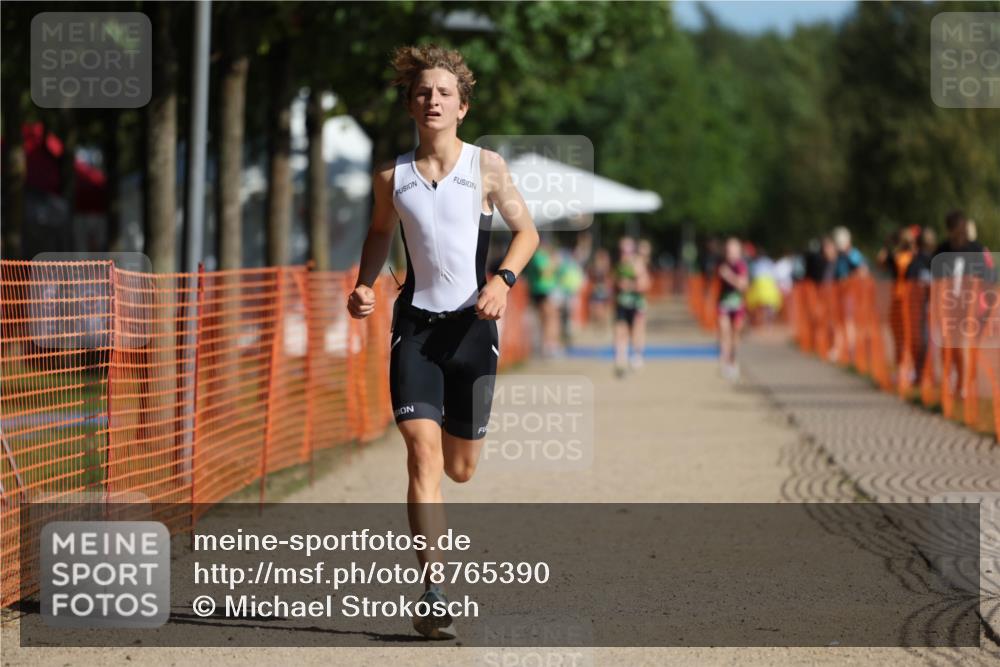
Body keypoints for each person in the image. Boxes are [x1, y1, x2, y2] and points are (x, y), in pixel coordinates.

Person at [346, 44, 539, 640]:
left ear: (462, 107)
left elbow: (527, 233)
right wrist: (364, 285)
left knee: (460, 469)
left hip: (473, 329)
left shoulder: (487, 167)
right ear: (410, 105)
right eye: (424, 93)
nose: (433, 100)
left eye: (445, 93)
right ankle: (433, 589)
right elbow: (380, 234)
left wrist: (503, 281)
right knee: (421, 456)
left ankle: (437, 572)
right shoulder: (391, 177)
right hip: (415, 329)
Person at [717, 237, 749, 381]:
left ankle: (733, 360)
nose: (731, 253)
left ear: (739, 252)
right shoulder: (722, 265)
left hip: (737, 304)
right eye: (729, 251)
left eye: (733, 250)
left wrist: (729, 276)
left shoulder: (741, 266)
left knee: (735, 333)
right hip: (724, 303)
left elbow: (743, 286)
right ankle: (725, 361)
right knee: (724, 331)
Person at [613, 236, 644, 377]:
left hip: (636, 303)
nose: (624, 253)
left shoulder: (637, 264)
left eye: (627, 250)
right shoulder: (618, 265)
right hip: (621, 303)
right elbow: (614, 283)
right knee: (620, 331)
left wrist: (630, 284)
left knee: (635, 331)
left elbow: (644, 284)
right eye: (622, 250)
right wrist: (618, 285)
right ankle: (621, 360)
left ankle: (636, 355)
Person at [524, 236, 560, 357]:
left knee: (549, 318)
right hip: (541, 291)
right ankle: (547, 346)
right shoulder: (538, 256)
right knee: (548, 319)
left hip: (546, 290)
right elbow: (543, 271)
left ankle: (549, 344)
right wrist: (553, 264)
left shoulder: (544, 256)